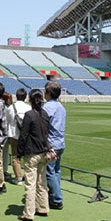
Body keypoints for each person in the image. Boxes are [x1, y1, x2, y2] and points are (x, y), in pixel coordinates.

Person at [17, 89, 50, 221]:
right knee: (42, 182)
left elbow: (23, 135)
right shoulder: (45, 113)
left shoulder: (29, 115)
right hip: (43, 151)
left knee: (30, 184)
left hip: (32, 153)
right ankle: (43, 207)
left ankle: (29, 213)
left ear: (29, 100)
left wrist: (18, 153)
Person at [43, 81, 66, 210]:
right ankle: (55, 196)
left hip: (51, 144)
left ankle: (57, 199)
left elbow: (43, 126)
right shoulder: (61, 107)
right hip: (60, 143)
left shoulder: (47, 107)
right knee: (56, 171)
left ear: (49, 93)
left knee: (49, 172)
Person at [6, 88, 31, 185]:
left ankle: (18, 177)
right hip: (26, 135)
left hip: (14, 134)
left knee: (15, 157)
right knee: (28, 157)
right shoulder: (28, 108)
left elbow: (8, 121)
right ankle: (28, 176)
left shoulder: (11, 108)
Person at [2, 92, 12, 181]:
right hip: (5, 133)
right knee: (4, 153)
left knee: (5, 152)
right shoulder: (6, 108)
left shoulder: (5, 107)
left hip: (5, 132)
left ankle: (4, 170)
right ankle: (3, 171)